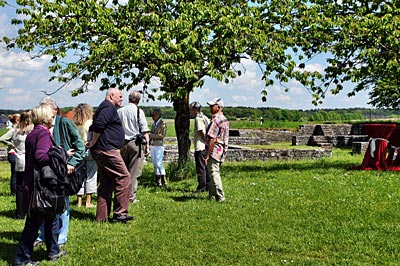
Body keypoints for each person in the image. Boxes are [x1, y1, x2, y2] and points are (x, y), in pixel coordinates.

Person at [14, 105, 66, 265]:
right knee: (34, 224)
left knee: (51, 219)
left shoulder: (34, 132)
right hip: (41, 187)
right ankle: (22, 259)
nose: (53, 119)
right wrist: (57, 153)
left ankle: (54, 251)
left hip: (35, 184)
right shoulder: (43, 133)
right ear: (45, 118)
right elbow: (41, 156)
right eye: (51, 116)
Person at [35, 97, 85, 247]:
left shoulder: (65, 123)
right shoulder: (41, 126)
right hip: (46, 171)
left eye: (46, 109)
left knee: (62, 204)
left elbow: (80, 147)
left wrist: (71, 163)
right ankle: (44, 235)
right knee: (44, 204)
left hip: (62, 171)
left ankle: (61, 237)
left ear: (55, 110)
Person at [87, 87, 133, 223]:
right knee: (124, 177)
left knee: (106, 182)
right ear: (111, 95)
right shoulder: (108, 107)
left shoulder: (105, 107)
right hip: (107, 150)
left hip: (102, 149)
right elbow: (99, 125)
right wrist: (93, 141)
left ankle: (102, 217)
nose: (122, 99)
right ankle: (120, 213)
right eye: (120, 96)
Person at [117, 91, 150, 202]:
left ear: (129, 99)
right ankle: (131, 196)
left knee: (122, 170)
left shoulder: (120, 111)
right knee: (134, 171)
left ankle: (120, 194)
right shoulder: (138, 111)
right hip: (135, 143)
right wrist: (148, 147)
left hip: (121, 143)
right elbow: (145, 130)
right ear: (138, 100)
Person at [0, 111, 33, 219]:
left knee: (19, 188)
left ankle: (19, 212)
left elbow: (3, 138)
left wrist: (12, 144)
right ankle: (29, 210)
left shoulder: (15, 131)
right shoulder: (31, 131)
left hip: (19, 160)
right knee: (30, 187)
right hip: (29, 160)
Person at [73, 103, 97, 208]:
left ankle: (79, 201)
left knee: (80, 176)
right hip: (89, 150)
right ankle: (88, 201)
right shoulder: (90, 124)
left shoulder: (75, 124)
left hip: (78, 152)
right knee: (91, 175)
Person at [205, 98, 229, 202]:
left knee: (214, 172)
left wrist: (207, 154)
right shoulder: (224, 119)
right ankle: (212, 194)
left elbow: (212, 139)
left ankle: (220, 196)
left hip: (215, 149)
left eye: (212, 106)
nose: (210, 108)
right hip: (222, 149)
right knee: (213, 171)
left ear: (218, 107)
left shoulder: (215, 121)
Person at [189, 101, 210, 193]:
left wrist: (205, 141)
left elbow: (202, 132)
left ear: (194, 110)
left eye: (190, 109)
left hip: (200, 146)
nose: (190, 112)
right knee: (206, 167)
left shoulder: (198, 119)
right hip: (205, 146)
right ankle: (208, 185)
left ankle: (201, 187)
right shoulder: (204, 117)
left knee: (200, 168)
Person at [1, 113, 20, 195]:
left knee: (15, 173)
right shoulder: (12, 130)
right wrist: (11, 144)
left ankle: (15, 190)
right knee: (15, 174)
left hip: (15, 153)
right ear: (17, 120)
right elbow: (2, 138)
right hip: (13, 153)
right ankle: (14, 191)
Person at [149, 108, 167, 187]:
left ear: (158, 115)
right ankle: (157, 181)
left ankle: (164, 181)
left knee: (159, 163)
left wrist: (150, 136)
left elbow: (162, 135)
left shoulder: (162, 123)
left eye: (153, 115)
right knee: (155, 164)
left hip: (159, 145)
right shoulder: (154, 123)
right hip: (153, 145)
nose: (152, 117)